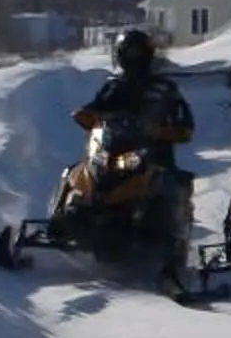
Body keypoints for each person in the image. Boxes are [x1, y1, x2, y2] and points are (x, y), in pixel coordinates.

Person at [79, 27, 199, 280]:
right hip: (114, 149)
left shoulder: (164, 88)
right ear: (120, 55)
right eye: (128, 53)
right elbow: (96, 108)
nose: (133, 58)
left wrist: (170, 130)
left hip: (153, 154)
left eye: (138, 52)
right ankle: (64, 222)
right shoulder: (112, 86)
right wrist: (85, 115)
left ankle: (172, 247)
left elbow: (184, 120)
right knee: (76, 174)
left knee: (167, 188)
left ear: (147, 55)